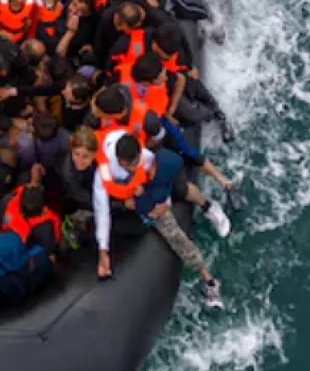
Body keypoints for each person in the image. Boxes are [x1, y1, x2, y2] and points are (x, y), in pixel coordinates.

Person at [92, 130, 223, 308]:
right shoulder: (103, 174)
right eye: (130, 166)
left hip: (145, 197)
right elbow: (102, 211)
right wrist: (103, 250)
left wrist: (165, 203)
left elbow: (162, 181)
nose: (134, 167)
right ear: (120, 162)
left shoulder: (146, 158)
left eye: (136, 162)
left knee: (174, 234)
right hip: (119, 202)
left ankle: (208, 279)